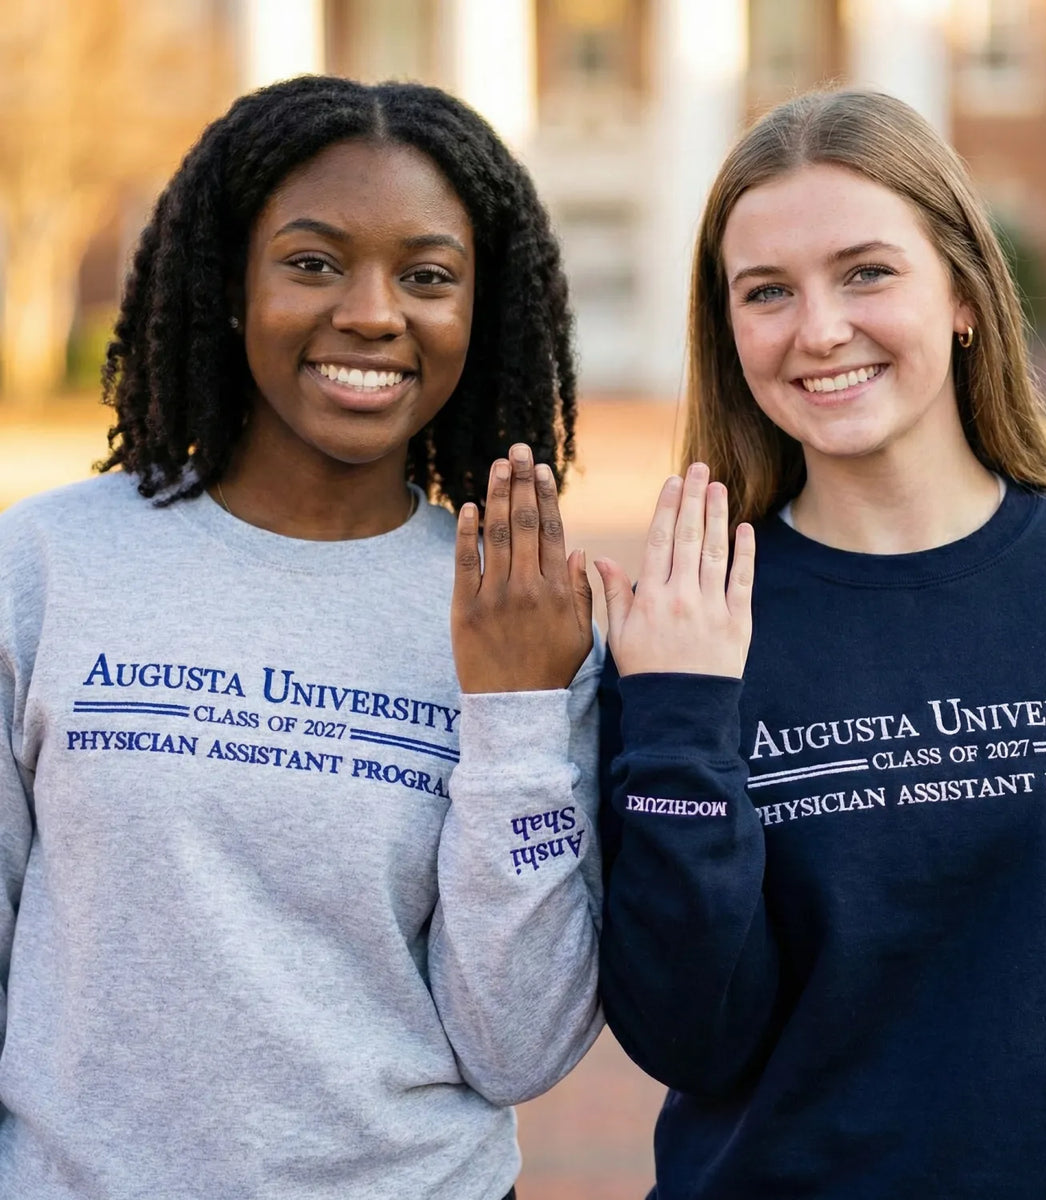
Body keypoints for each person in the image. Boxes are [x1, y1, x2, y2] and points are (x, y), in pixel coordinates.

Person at [0, 76, 602, 1199]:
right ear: (232, 286)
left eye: (427, 276)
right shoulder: (45, 570)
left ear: (482, 313)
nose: (373, 312)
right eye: (314, 262)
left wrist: (516, 718)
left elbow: (516, 1045)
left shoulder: (522, 616)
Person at [595, 88, 1046, 1199]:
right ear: (728, 331)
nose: (819, 330)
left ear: (964, 292)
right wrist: (682, 714)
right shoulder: (688, 627)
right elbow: (691, 1035)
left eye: (866, 272)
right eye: (766, 292)